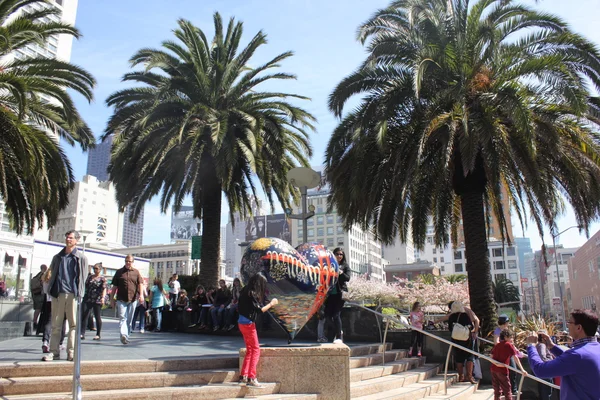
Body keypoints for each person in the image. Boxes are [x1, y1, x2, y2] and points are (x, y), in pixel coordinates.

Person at [526, 309, 600, 400]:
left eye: (570, 322)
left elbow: (540, 370)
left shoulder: (576, 355)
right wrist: (551, 346)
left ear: (579, 328)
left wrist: (531, 346)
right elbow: (574, 360)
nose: (567, 325)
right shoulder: (595, 348)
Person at [42, 230, 88, 362]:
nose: (68, 240)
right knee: (56, 325)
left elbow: (83, 278)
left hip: (73, 294)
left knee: (73, 325)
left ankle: (71, 352)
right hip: (58, 294)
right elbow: (52, 273)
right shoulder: (58, 257)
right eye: (67, 237)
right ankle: (53, 352)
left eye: (71, 238)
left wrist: (80, 294)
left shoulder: (81, 258)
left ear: (77, 240)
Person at [237, 273, 278, 388]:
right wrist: (271, 304)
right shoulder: (252, 293)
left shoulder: (245, 290)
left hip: (241, 322)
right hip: (248, 324)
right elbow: (259, 310)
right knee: (255, 350)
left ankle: (243, 375)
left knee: (250, 349)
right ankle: (252, 377)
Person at [111, 255, 144, 344]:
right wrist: (112, 299)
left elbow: (140, 284)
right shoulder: (119, 272)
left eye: (129, 261)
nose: (128, 263)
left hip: (133, 299)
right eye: (126, 261)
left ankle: (126, 336)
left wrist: (141, 295)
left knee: (129, 319)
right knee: (122, 317)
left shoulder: (136, 272)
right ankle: (123, 335)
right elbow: (114, 286)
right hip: (121, 299)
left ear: (133, 262)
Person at [490, 329, 527, 400]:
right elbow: (515, 357)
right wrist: (522, 370)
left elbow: (491, 356)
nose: (512, 339)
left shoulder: (497, 345)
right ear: (506, 337)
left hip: (493, 370)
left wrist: (497, 364)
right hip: (502, 370)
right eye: (511, 337)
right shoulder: (508, 345)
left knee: (497, 391)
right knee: (507, 390)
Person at [323, 247, 350, 344]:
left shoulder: (345, 266)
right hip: (330, 294)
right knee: (327, 315)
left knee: (336, 314)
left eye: (341, 254)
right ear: (333, 254)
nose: (339, 256)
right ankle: (339, 330)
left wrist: (341, 272)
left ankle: (338, 335)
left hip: (340, 293)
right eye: (337, 254)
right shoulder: (330, 265)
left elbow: (347, 278)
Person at [37, 266, 66, 353]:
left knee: (48, 322)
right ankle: (60, 343)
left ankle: (45, 341)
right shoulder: (59, 278)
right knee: (62, 321)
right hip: (59, 301)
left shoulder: (45, 279)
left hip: (49, 301)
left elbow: (45, 292)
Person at [447, 301, 476, 383]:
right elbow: (472, 326)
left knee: (459, 358)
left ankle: (461, 376)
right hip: (467, 340)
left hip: (455, 340)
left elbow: (450, 328)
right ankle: (469, 377)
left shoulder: (451, 317)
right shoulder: (465, 315)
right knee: (469, 357)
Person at [80, 263, 107, 341]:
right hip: (88, 298)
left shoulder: (102, 278)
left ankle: (98, 334)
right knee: (85, 315)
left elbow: (104, 288)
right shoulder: (90, 277)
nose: (95, 270)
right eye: (94, 268)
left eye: (96, 268)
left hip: (97, 299)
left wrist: (103, 298)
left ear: (100, 269)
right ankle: (82, 333)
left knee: (97, 316)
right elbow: (86, 286)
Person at [535, 329, 554, 400]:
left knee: (544, 392)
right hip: (546, 371)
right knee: (546, 393)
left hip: (544, 372)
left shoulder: (540, 345)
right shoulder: (541, 345)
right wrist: (551, 361)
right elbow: (542, 357)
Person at [30, 264, 47, 330]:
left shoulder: (37, 275)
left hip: (36, 294)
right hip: (40, 294)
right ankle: (36, 322)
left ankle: (35, 321)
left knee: (37, 309)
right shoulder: (43, 275)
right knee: (39, 309)